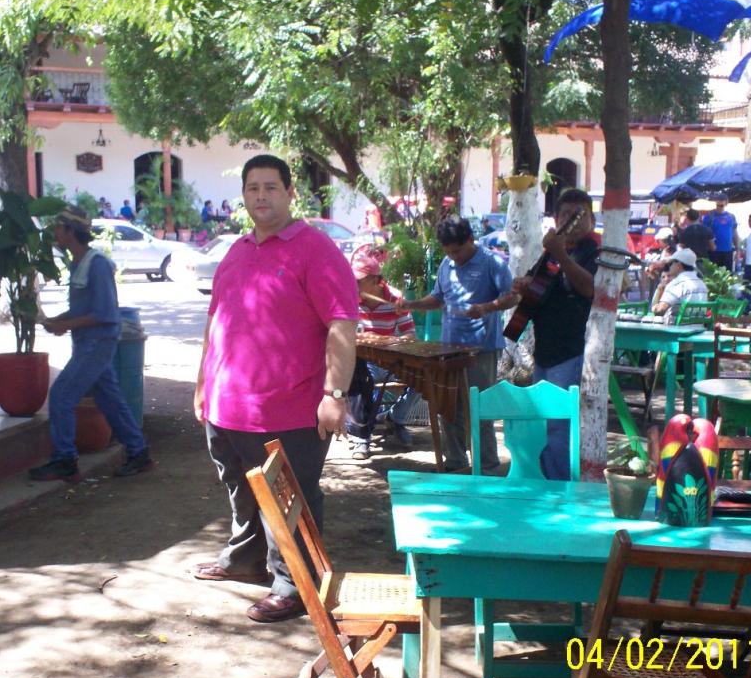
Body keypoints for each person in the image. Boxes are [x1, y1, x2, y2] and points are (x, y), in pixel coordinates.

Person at [191, 154, 359, 623]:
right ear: (243, 195)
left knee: (291, 499)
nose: (260, 196)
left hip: (290, 408)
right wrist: (203, 383)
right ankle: (245, 559)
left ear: (289, 193)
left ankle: (294, 586)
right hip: (227, 404)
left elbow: (342, 324)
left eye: (270, 187)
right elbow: (216, 322)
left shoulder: (316, 249)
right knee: (239, 489)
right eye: (252, 188)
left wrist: (334, 394)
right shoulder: (238, 249)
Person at [29, 206, 152, 482]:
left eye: (58, 229)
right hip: (91, 342)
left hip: (97, 343)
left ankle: (65, 459)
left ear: (70, 232)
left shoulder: (97, 265)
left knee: (61, 395)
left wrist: (64, 325)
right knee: (110, 399)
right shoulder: (81, 262)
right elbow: (84, 309)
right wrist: (58, 320)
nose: (55, 234)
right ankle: (138, 451)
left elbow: (104, 314)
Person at [398, 216, 517, 473]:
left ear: (470, 240)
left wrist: (486, 308)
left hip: (481, 351)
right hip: (449, 349)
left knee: (479, 410)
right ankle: (455, 463)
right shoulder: (446, 264)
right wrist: (413, 304)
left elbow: (512, 297)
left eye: (458, 250)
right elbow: (438, 298)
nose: (454, 257)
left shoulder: (492, 263)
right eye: (449, 252)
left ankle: (486, 466)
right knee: (446, 407)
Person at [512, 188, 598, 481]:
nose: (571, 220)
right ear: (556, 218)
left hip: (571, 350)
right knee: (542, 420)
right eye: (565, 214)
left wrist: (562, 253)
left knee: (559, 423)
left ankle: (561, 489)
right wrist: (523, 284)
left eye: (579, 215)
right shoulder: (551, 253)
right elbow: (536, 284)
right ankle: (546, 480)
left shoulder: (594, 251)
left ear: (592, 219)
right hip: (544, 351)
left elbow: (590, 288)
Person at [345, 251, 420, 460]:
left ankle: (394, 417)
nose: (353, 284)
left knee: (425, 378)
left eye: (358, 280)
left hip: (391, 360)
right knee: (359, 376)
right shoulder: (348, 299)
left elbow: (410, 335)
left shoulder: (396, 299)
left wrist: (386, 342)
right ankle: (360, 435)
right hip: (362, 362)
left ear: (375, 281)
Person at [651, 248, 709, 323]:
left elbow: (660, 311)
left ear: (679, 265)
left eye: (671, 263)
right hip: (698, 327)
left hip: (676, 329)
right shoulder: (701, 283)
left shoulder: (677, 283)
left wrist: (654, 307)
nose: (669, 266)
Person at [703, 195, 739, 270]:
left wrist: (737, 249)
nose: (719, 207)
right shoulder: (709, 217)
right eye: (717, 205)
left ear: (726, 204)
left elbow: (735, 233)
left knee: (728, 275)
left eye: (721, 205)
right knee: (713, 275)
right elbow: (704, 234)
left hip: (728, 251)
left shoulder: (731, 217)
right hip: (714, 251)